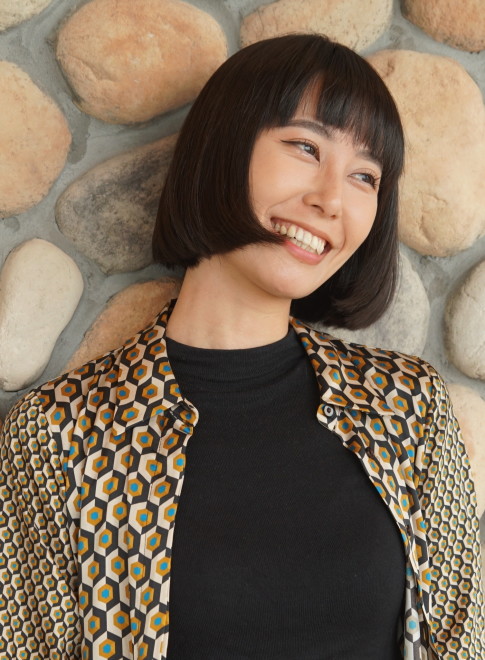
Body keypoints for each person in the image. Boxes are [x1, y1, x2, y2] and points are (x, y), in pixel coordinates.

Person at [0, 34, 483, 660]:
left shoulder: (406, 405)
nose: (332, 199)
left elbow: (462, 641)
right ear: (222, 147)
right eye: (306, 147)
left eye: (365, 176)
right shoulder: (62, 434)